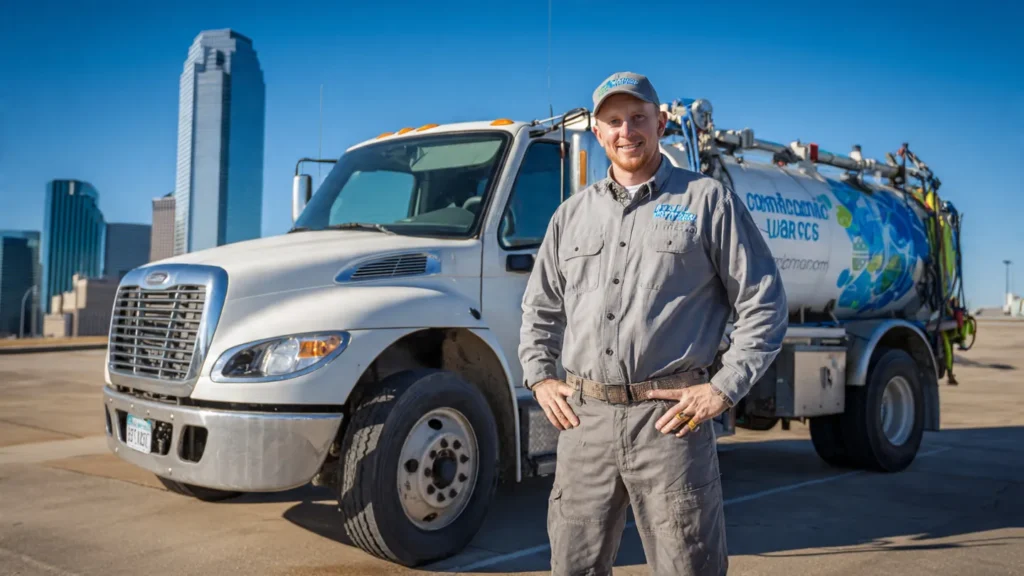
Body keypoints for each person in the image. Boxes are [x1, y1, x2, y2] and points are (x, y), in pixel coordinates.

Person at [518, 71, 788, 576]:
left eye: (638, 118)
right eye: (614, 121)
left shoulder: (707, 201)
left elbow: (764, 303)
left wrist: (722, 390)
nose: (627, 131)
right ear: (597, 132)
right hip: (584, 422)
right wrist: (539, 375)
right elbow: (540, 309)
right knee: (573, 564)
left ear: (661, 123)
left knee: (687, 564)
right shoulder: (570, 216)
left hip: (669, 424)